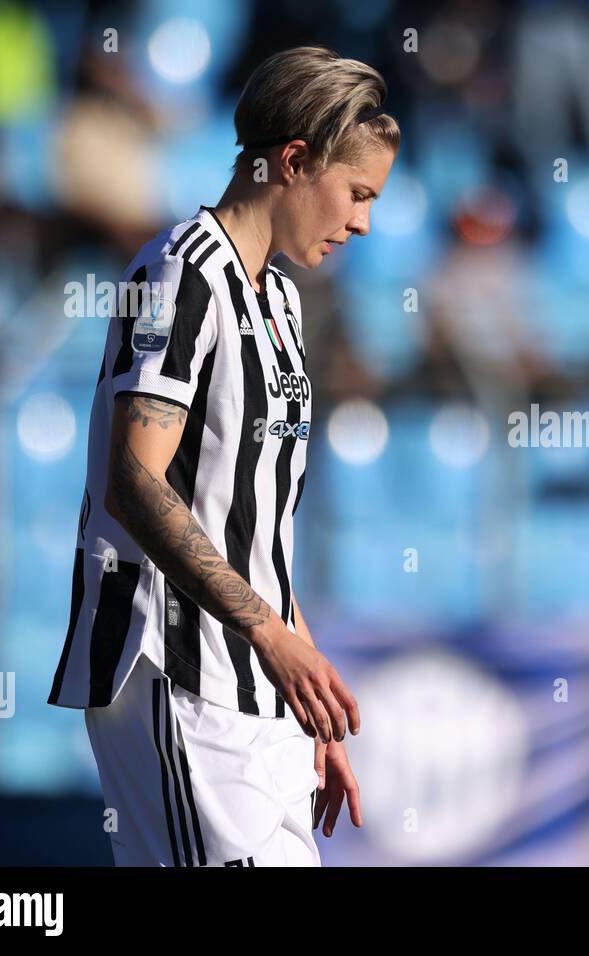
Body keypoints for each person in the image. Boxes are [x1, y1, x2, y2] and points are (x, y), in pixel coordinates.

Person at [47, 46, 399, 866]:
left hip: (255, 693)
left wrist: (300, 685)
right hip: (175, 669)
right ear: (294, 161)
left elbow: (255, 530)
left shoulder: (279, 302)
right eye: (357, 194)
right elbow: (135, 481)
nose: (363, 223)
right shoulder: (177, 273)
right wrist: (274, 642)